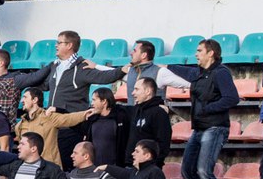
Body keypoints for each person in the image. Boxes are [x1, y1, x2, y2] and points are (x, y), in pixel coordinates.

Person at [13, 30, 123, 168]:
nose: (56, 45)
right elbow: (45, 85)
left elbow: (105, 77)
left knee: (66, 166)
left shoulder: (82, 67)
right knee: (50, 165)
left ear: (69, 45)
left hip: (72, 127)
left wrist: (122, 70)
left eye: (59, 43)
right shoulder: (55, 66)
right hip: (54, 124)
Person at [167, 38, 239, 179]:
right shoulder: (199, 73)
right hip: (199, 128)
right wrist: (165, 66)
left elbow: (232, 98)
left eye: (199, 51)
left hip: (215, 127)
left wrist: (208, 108)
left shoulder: (221, 73)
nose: (196, 54)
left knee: (203, 170)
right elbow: (184, 71)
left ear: (211, 53)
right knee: (187, 171)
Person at [14, 87, 92, 167]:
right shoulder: (19, 125)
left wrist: (85, 113)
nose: (22, 101)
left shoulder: (48, 117)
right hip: (29, 168)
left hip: (50, 168)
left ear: (35, 100)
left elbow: (69, 118)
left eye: (25, 97)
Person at [121, 39, 190, 105]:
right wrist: (121, 70)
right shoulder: (129, 70)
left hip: (153, 113)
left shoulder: (160, 72)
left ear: (144, 55)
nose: (131, 53)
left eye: (135, 51)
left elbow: (189, 84)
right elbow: (113, 76)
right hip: (132, 113)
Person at [125, 76, 172, 164]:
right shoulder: (135, 110)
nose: (133, 93)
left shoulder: (159, 113)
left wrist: (151, 164)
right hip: (131, 165)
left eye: (136, 89)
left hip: (148, 167)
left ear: (148, 91)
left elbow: (163, 143)